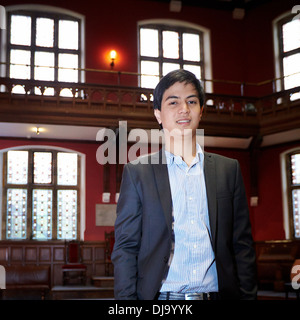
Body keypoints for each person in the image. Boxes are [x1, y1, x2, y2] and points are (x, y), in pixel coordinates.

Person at [111, 69, 257, 300]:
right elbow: (126, 248)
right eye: (173, 102)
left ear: (201, 111)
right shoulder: (138, 172)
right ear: (158, 114)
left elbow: (242, 245)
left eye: (191, 101)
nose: (184, 109)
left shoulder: (229, 170)